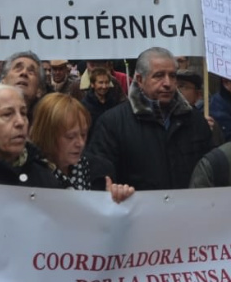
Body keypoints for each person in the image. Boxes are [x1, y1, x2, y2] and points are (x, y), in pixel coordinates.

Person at [85, 47, 214, 191]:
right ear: (140, 80)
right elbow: (100, 176)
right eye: (159, 75)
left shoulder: (195, 120)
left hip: (188, 210)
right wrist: (114, 190)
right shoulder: (112, 123)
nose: (168, 83)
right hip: (136, 211)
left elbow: (210, 172)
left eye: (172, 76)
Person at [29, 93, 133, 198]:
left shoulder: (102, 172)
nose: (81, 143)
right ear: (47, 136)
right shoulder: (29, 177)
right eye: (70, 137)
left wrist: (116, 201)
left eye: (83, 134)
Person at [81, 67, 122, 134]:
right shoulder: (85, 105)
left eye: (106, 82)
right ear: (92, 84)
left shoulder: (114, 102)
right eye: (100, 83)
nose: (104, 86)